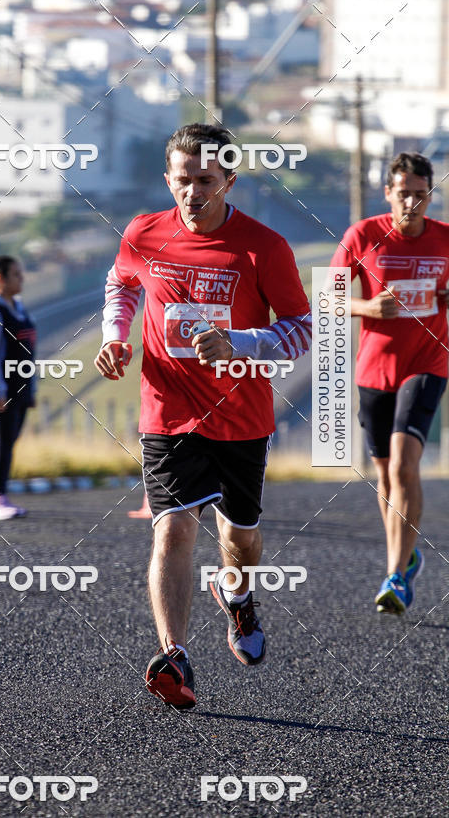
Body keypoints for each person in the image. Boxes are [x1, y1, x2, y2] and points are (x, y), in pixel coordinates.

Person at [94, 124, 311, 708]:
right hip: (168, 410)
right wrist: (116, 336)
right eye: (182, 180)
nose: (193, 192)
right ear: (168, 179)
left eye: (206, 181)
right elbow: (122, 283)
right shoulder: (144, 232)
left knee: (240, 538)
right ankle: (175, 656)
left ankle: (237, 597)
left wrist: (239, 342)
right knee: (173, 527)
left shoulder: (263, 247)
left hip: (241, 416)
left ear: (229, 181)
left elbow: (301, 330)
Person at [330, 152, 449, 613]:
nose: (411, 203)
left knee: (402, 465)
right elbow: (328, 298)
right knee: (384, 473)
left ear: (430, 195)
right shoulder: (362, 235)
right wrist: (367, 308)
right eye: (403, 194)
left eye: (420, 195)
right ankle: (406, 555)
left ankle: (395, 576)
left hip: (428, 363)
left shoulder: (444, 238)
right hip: (375, 368)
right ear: (388, 193)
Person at [0, 256, 36, 521]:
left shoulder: (19, 308)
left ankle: (1, 497)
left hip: (20, 388)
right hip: (1, 391)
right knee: (3, 443)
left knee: (10, 443)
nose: (21, 278)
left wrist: (31, 388)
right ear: (0, 278)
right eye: (16, 274)